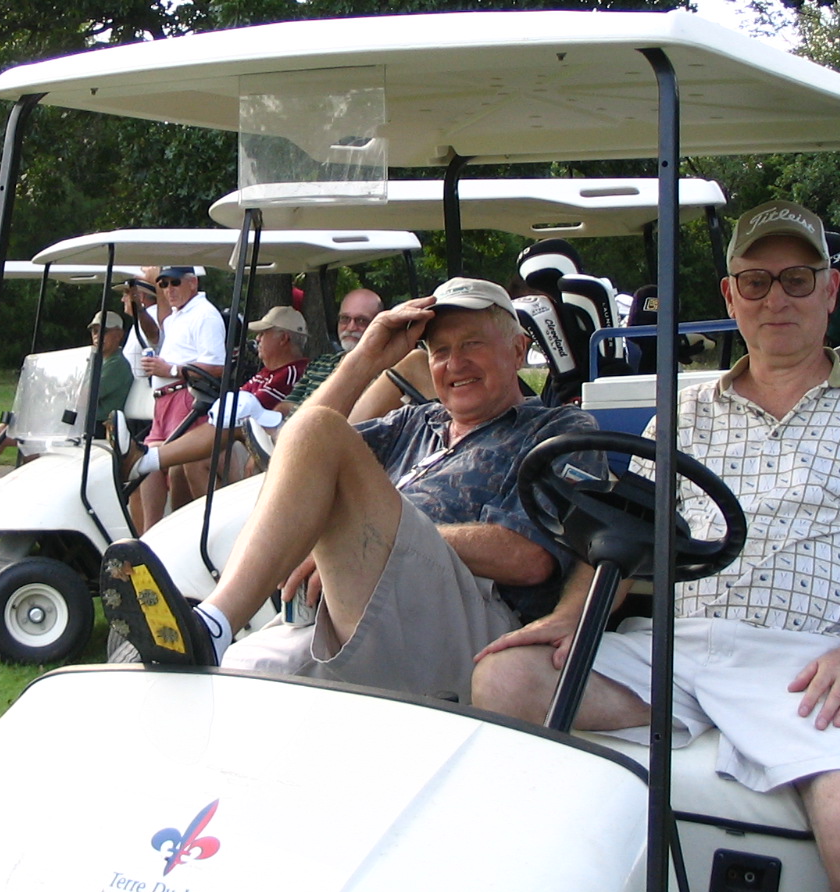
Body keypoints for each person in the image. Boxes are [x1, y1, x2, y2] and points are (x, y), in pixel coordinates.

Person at [468, 200, 840, 892]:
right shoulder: (686, 411)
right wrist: (570, 617)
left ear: (830, 289)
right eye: (756, 283)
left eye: (797, 280)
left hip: (809, 664)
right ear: (730, 297)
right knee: (499, 680)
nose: (776, 300)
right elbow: (629, 534)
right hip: (681, 651)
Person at [101, 277, 601, 702]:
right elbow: (292, 455)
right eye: (441, 351)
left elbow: (530, 556)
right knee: (244, 678)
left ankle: (213, 622)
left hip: (471, 620)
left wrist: (371, 537)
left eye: (472, 344)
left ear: (518, 350)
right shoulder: (415, 422)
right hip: (362, 607)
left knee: (320, 429)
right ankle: (205, 646)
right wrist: (364, 360)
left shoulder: (557, 429)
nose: (455, 364)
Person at [122, 304, 310, 481]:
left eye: (263, 333)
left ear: (284, 338)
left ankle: (145, 460)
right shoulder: (267, 372)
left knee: (198, 460)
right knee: (179, 468)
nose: (258, 339)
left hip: (260, 442)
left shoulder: (290, 373)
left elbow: (244, 410)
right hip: (242, 437)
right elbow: (240, 402)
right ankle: (147, 466)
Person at [136, 266, 226, 529]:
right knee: (146, 464)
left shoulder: (204, 315)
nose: (168, 290)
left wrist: (171, 370)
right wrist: (144, 297)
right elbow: (161, 321)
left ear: (192, 284)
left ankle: (182, 533)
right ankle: (148, 536)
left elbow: (217, 366)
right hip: (163, 402)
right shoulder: (177, 316)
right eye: (162, 285)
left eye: (174, 283)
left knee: (175, 467)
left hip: (185, 399)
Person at [277, 287, 384, 413]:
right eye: (345, 318)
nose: (351, 327)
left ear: (378, 324)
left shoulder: (381, 374)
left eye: (361, 320)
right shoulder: (320, 363)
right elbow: (288, 405)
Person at [88, 310, 136, 419]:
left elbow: (85, 396)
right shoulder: (93, 361)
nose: (97, 336)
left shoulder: (117, 364)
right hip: (84, 424)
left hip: (102, 427)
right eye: (95, 331)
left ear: (119, 335)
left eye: (104, 331)